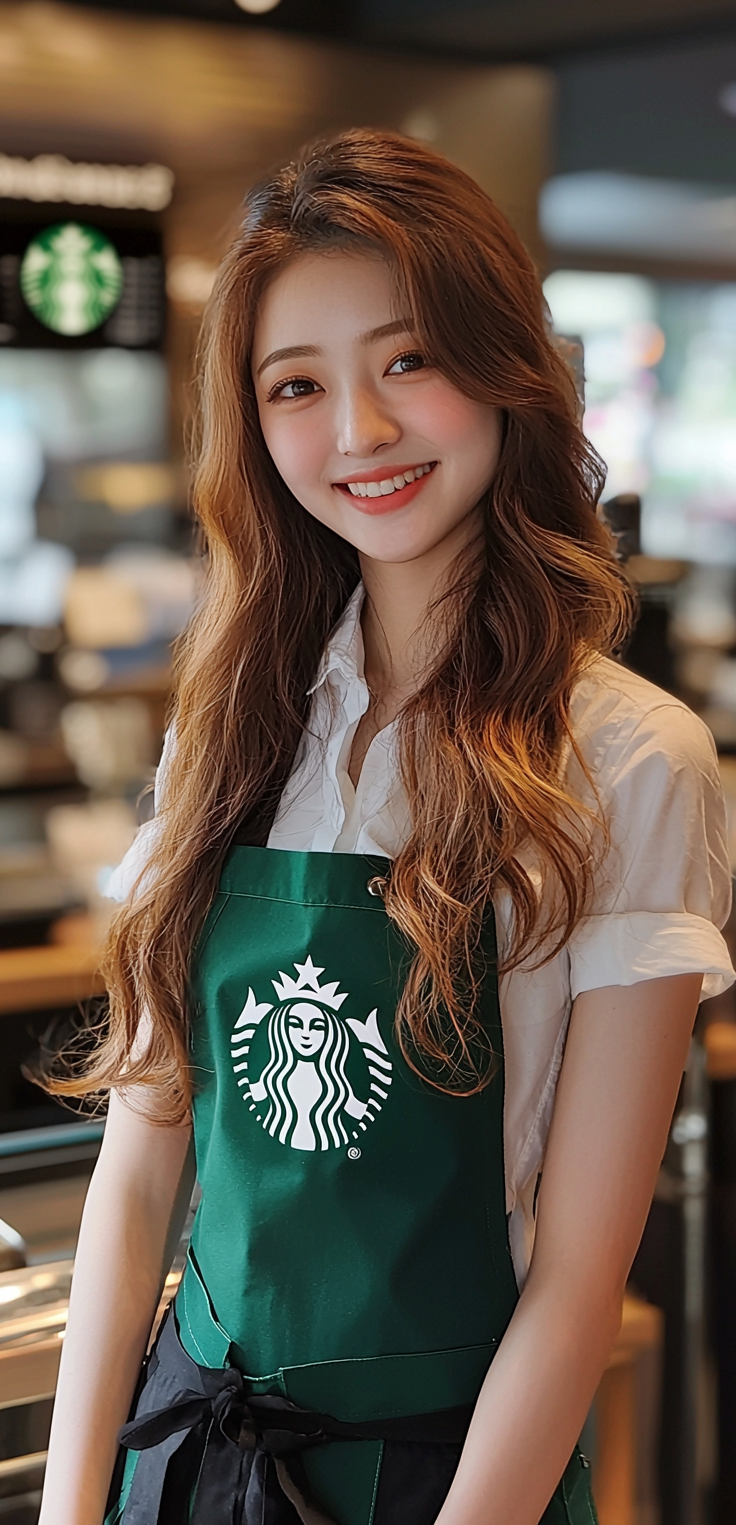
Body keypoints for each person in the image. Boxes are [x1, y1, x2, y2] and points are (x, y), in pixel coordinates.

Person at [38, 130, 734, 1525]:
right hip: (187, 1458)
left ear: (504, 369)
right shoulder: (231, 728)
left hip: (448, 1477)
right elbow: (138, 1175)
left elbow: (581, 1279)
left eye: (407, 360)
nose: (357, 432)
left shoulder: (632, 760)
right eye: (298, 385)